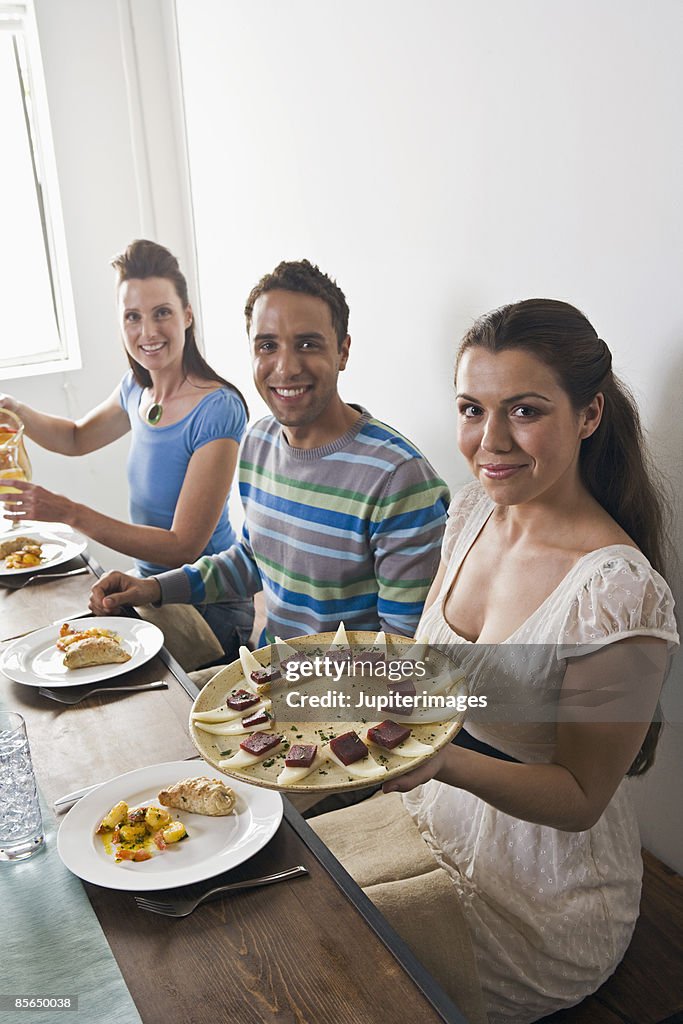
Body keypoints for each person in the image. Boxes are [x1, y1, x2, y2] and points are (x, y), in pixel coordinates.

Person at [309, 299, 679, 1023]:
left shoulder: (618, 592)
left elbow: (580, 799)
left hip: (543, 901)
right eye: (471, 409)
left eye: (524, 410)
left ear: (589, 414)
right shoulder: (472, 512)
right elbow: (431, 675)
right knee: (269, 888)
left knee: (318, 969)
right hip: (428, 814)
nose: (490, 441)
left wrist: (440, 759)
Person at [90, 259, 450, 642]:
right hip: (267, 676)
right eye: (267, 346)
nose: (285, 368)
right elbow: (254, 558)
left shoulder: (399, 478)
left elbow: (404, 654)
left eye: (307, 344)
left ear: (343, 352)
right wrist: (155, 588)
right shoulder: (259, 441)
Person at [1, 239, 254, 661]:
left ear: (187, 316)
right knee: (53, 644)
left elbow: (182, 547)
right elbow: (77, 437)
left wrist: (69, 512)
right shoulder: (138, 388)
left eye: (162, 313)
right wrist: (17, 410)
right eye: (132, 317)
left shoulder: (218, 409)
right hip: (150, 588)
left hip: (210, 607)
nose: (148, 332)